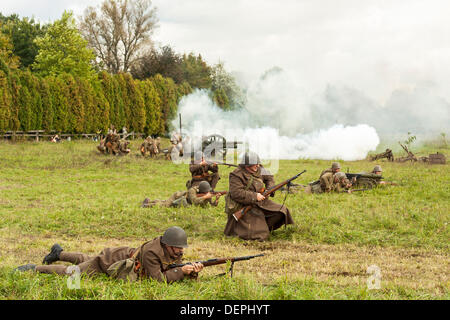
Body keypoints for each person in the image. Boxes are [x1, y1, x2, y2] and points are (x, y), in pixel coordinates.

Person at [15, 227, 203, 283]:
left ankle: (59, 252)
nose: (180, 252)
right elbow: (158, 280)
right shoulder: (153, 252)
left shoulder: (170, 248)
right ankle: (35, 268)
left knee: (85, 259)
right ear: (168, 245)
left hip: (121, 255)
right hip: (112, 261)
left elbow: (172, 266)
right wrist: (182, 272)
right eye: (178, 249)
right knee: (73, 272)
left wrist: (192, 270)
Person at [223, 151, 295, 241]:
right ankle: (256, 228)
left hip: (262, 202)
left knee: (282, 210)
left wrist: (269, 189)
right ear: (247, 166)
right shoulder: (236, 175)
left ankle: (263, 225)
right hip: (245, 205)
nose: (257, 166)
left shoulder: (259, 168)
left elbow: (269, 178)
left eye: (258, 163)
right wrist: (254, 196)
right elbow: (236, 193)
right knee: (260, 235)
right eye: (254, 164)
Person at [141, 181, 223, 208]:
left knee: (164, 201)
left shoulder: (206, 193)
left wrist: (217, 199)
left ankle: (149, 201)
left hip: (184, 201)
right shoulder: (192, 190)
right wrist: (205, 197)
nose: (207, 194)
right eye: (205, 192)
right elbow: (194, 201)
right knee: (165, 205)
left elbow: (212, 205)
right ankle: (146, 205)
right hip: (177, 196)